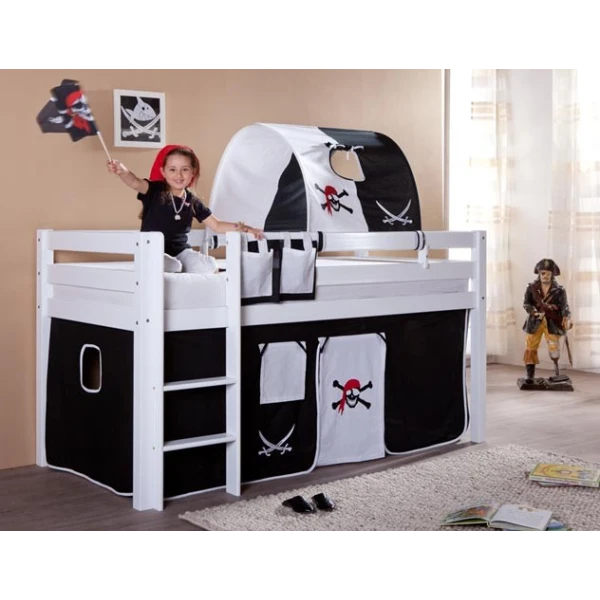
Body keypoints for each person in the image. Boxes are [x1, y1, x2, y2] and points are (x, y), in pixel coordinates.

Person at [107, 144, 263, 273]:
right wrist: (122, 171)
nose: (179, 175)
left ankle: (191, 268)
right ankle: (169, 266)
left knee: (208, 265)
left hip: (180, 251)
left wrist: (247, 229)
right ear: (163, 172)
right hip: (153, 249)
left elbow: (217, 225)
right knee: (173, 266)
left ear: (192, 172)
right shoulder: (154, 190)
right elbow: (134, 182)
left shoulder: (192, 201)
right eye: (172, 169)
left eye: (185, 169)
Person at [522, 258, 572, 382]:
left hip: (552, 322)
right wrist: (534, 312)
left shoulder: (559, 290)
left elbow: (564, 306)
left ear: (552, 275)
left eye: (548, 273)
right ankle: (530, 376)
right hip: (534, 322)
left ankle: (557, 375)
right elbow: (526, 304)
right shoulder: (531, 288)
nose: (545, 276)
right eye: (543, 273)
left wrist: (566, 317)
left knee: (554, 347)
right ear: (539, 274)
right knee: (530, 347)